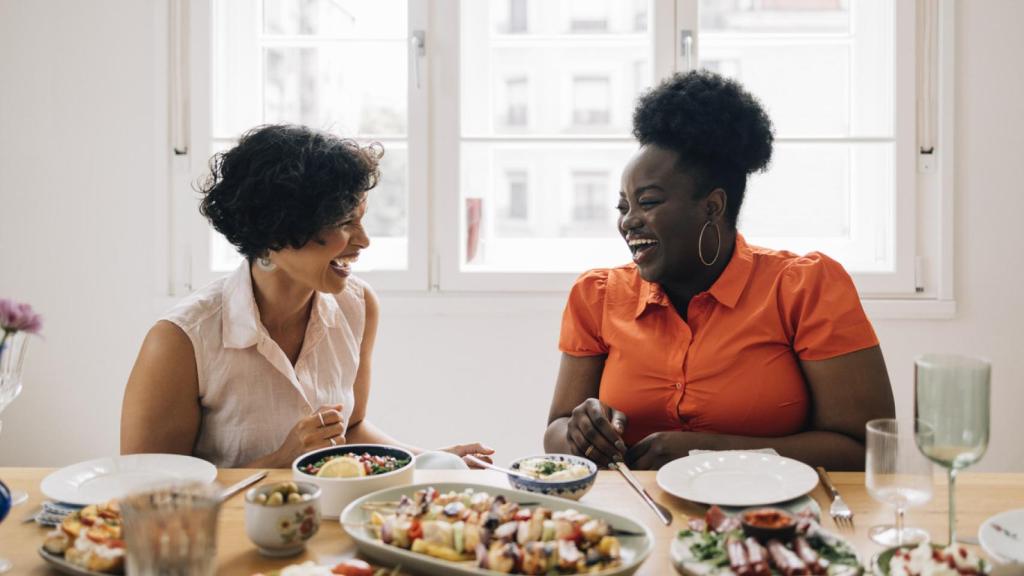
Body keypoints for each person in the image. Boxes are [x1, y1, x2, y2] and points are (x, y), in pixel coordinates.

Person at [543, 71, 894, 471]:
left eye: (649, 202)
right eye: (623, 207)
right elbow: (555, 430)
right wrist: (581, 431)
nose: (629, 222)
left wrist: (709, 454)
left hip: (769, 518)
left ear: (712, 207)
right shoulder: (597, 295)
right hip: (633, 519)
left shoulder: (804, 288)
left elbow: (865, 449)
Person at [121, 124, 493, 468]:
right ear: (276, 232)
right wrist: (282, 459)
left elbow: (352, 429)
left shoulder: (358, 305)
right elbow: (149, 492)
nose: (363, 241)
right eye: (346, 223)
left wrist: (430, 461)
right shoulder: (180, 341)